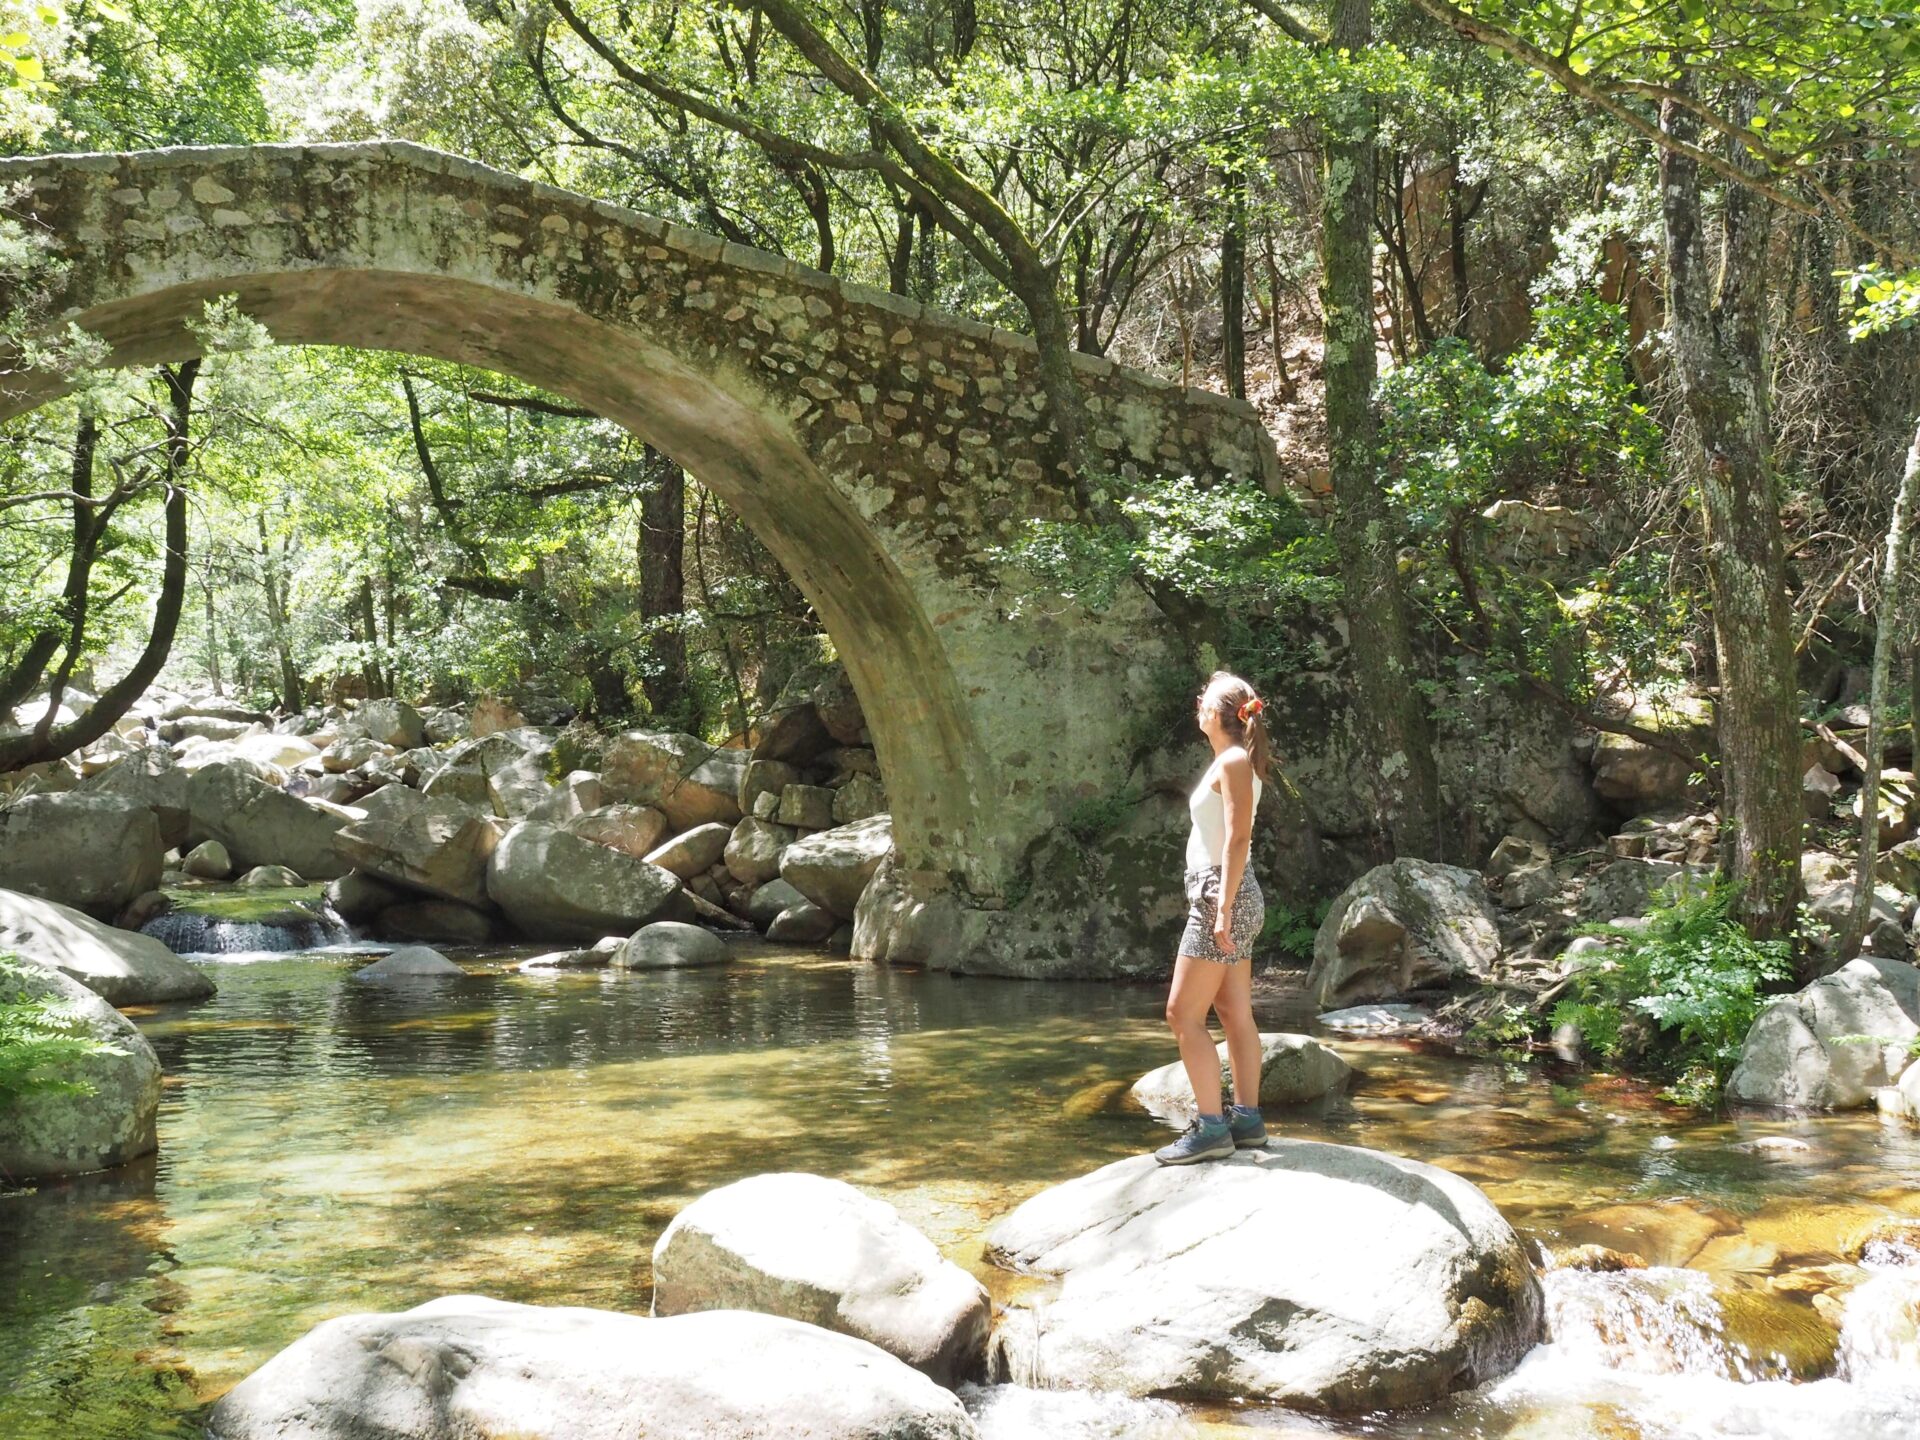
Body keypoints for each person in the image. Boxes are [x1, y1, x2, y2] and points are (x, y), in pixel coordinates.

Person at [1153, 671, 1270, 1165]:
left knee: (1182, 1013)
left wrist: (1221, 907)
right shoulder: (1230, 759)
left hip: (1222, 895)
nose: (1197, 703)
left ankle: (1212, 1129)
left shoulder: (1237, 760)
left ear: (1216, 713)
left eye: (1204, 699)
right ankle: (1247, 1121)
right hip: (1225, 893)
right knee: (1232, 1012)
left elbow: (1237, 838)